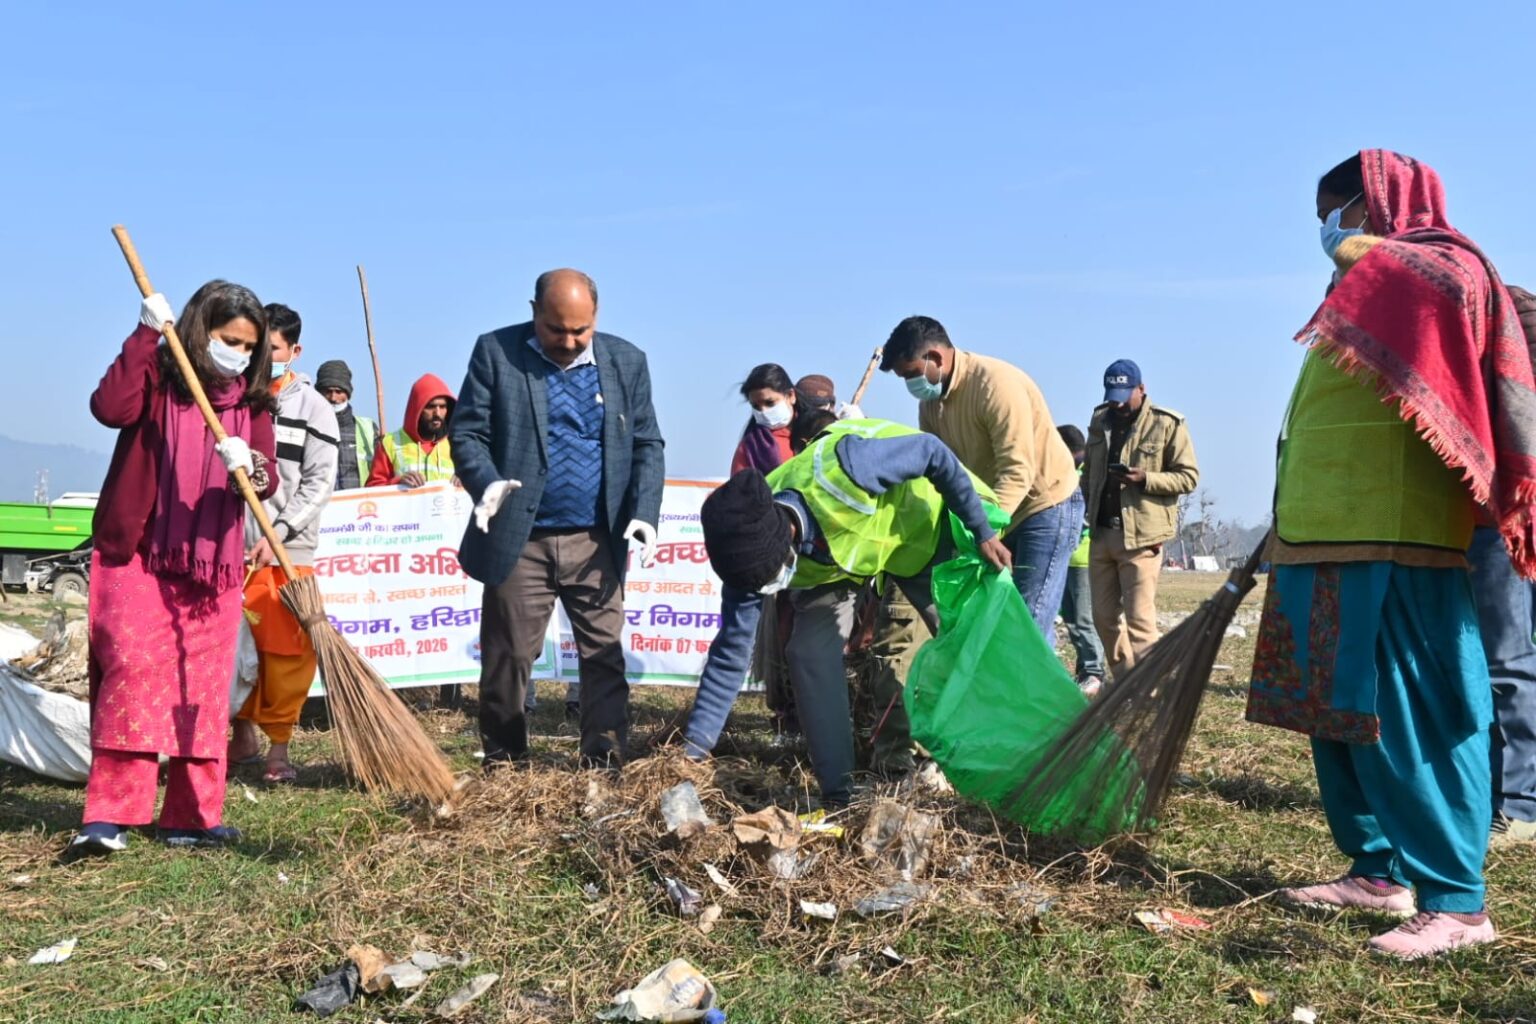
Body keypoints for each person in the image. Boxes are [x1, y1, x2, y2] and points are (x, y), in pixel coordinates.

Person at [1248, 149, 1536, 958]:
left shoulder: (1443, 269)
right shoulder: (1358, 290)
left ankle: (1458, 903)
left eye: (1338, 211)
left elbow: (1436, 290)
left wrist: (1361, 248)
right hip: (1322, 534)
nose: (1327, 229)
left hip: (1399, 534)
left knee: (1410, 714)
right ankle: (1377, 870)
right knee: (1336, 716)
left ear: (1380, 204)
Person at [682, 417, 1011, 806]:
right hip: (849, 558)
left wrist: (981, 530)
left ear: (786, 541)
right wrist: (689, 755)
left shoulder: (846, 469)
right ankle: (841, 794)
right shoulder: (740, 541)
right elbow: (730, 655)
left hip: (932, 526)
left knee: (967, 649)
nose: (766, 592)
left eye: (769, 580)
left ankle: (1004, 768)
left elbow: (931, 452)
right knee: (808, 652)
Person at [70, 282, 279, 856]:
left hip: (213, 563)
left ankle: (190, 817)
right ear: (197, 329)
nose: (234, 351)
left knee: (202, 690)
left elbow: (268, 480)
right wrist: (142, 333)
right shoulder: (160, 375)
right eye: (225, 339)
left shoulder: (254, 402)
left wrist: (251, 468)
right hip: (139, 551)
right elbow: (110, 408)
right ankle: (111, 815)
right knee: (131, 675)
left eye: (245, 344)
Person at [452, 268, 665, 767]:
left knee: (603, 658)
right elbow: (468, 433)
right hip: (521, 538)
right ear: (534, 313)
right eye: (556, 330)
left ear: (596, 318)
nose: (568, 342)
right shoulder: (496, 352)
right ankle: (505, 764)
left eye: (580, 331)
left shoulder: (627, 362)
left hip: (597, 542)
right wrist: (487, 483)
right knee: (508, 662)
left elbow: (646, 443)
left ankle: (604, 763)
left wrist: (645, 511)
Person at [880, 315, 1082, 635]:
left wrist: (984, 532)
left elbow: (1018, 471)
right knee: (993, 622)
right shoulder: (931, 405)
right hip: (995, 516)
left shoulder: (995, 385)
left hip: (1043, 507)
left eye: (912, 374)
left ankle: (1027, 686)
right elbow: (943, 475)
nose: (911, 385)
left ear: (935, 358)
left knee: (1025, 627)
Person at [230, 304, 339, 783]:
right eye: (255, 347)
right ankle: (240, 736)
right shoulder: (233, 399)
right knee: (234, 651)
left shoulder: (315, 409)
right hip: (233, 551)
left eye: (270, 348)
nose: (260, 357)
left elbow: (319, 483)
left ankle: (279, 750)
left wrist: (281, 535)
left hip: (287, 554)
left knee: (286, 655)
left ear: (293, 351)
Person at [1081, 359, 1199, 679]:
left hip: (1142, 538)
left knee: (1140, 622)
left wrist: (1145, 478)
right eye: (1111, 394)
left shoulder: (1168, 424)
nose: (1117, 403)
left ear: (1141, 389)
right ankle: (1124, 684)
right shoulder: (1099, 419)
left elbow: (1188, 478)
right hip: (1102, 534)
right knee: (1103, 619)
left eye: (1123, 394)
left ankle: (1150, 691)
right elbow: (1090, 472)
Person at [1473, 284, 1536, 848]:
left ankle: (1519, 806)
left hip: (1502, 518)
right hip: (1464, 518)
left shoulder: (1512, 316)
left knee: (1508, 659)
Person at [1056, 424, 1106, 695]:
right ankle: (1083, 670)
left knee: (1085, 618)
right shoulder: (1064, 474)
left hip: (1083, 558)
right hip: (1065, 558)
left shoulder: (1084, 476)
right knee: (1071, 618)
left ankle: (1095, 671)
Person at [367, 374, 456, 486]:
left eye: (442, 407)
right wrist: (397, 483)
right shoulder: (389, 444)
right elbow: (372, 491)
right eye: (430, 407)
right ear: (416, 408)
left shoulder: (457, 443)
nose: (437, 413)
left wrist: (467, 480)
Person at [315, 359, 378, 490]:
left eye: (338, 391)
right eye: (327, 391)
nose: (333, 398)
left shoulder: (367, 429)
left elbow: (381, 474)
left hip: (358, 506)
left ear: (348, 394)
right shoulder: (310, 428)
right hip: (321, 507)